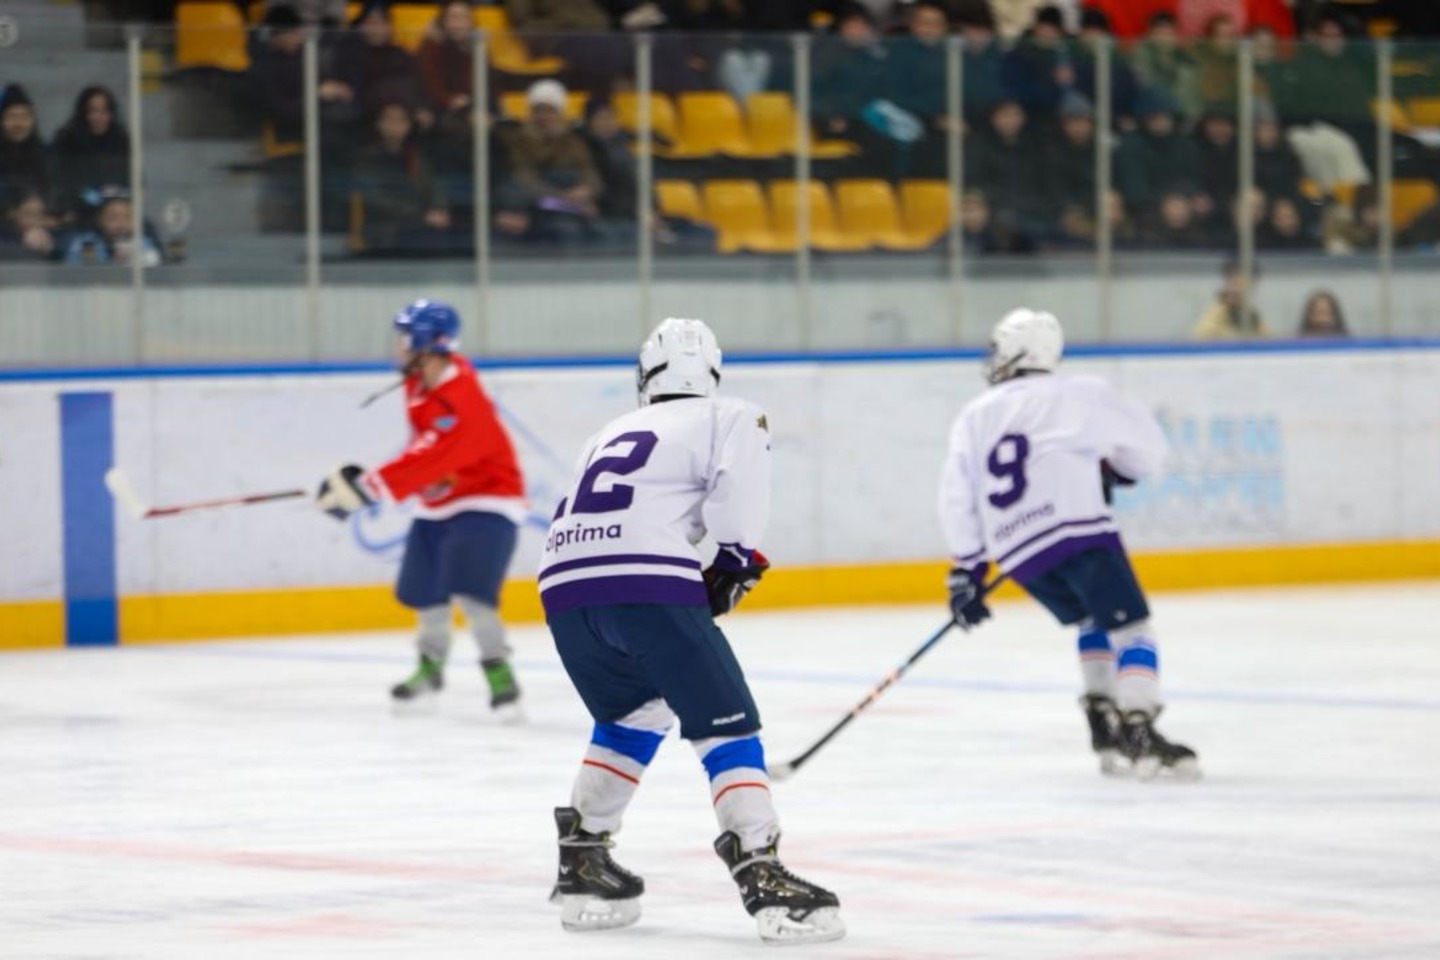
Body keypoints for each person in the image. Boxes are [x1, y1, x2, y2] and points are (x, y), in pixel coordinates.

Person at [538, 317, 844, 945]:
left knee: (633, 715)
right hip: (644, 580)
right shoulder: (729, 414)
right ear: (712, 372)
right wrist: (734, 559)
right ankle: (760, 868)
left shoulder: (605, 431)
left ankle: (584, 857)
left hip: (563, 590)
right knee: (726, 720)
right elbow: (742, 486)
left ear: (644, 377)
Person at [938, 308, 1200, 780]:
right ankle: (1137, 726)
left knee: (1090, 620)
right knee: (1133, 628)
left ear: (1019, 350)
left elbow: (957, 493)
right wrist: (1116, 470)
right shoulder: (1081, 392)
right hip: (1078, 532)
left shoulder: (974, 414)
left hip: (1017, 553)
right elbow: (1148, 451)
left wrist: (967, 570)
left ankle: (1102, 720)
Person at [314, 300, 528, 713]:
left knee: (472, 593)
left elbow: (437, 454)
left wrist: (370, 487)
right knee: (425, 591)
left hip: (488, 499)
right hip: (439, 503)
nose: (397, 347)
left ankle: (497, 670)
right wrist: (370, 484)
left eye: (404, 339)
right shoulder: (418, 382)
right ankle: (430, 669)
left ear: (426, 344)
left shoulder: (460, 396)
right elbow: (425, 452)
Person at [49, 86, 131, 217]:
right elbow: (63, 190)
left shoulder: (122, 143)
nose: (99, 117)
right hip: (81, 217)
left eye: (105, 111)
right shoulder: (67, 144)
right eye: (93, 111)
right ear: (83, 113)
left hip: (120, 216)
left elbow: (134, 185)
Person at [61, 193, 162, 267]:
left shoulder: (143, 243)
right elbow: (72, 274)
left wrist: (136, 258)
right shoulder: (85, 243)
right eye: (113, 218)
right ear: (100, 221)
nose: (121, 224)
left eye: (128, 217)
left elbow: (154, 267)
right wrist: (113, 263)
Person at [1192, 259, 1267, 339]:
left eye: (1239, 281)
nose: (1234, 286)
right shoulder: (1216, 315)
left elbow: (1267, 343)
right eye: (1230, 278)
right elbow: (1201, 341)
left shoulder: (1252, 315)